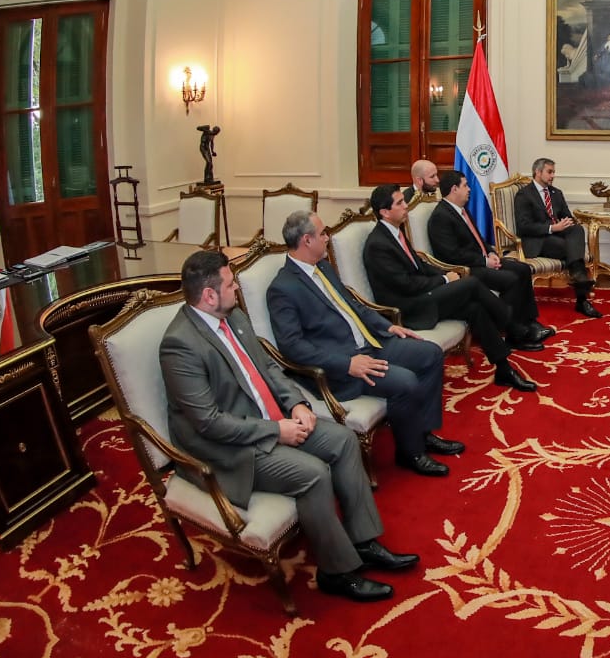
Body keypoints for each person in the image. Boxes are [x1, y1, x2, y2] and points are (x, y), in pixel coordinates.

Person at [160, 250, 418, 603]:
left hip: (269, 419)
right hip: (232, 448)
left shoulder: (232, 317)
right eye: (231, 283)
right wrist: (276, 431)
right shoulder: (179, 346)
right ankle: (337, 572)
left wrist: (295, 403)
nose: (237, 289)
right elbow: (210, 423)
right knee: (313, 473)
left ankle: (364, 541)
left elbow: (267, 367)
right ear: (209, 295)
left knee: (343, 441)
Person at [266, 210, 461, 477]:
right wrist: (347, 364)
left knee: (430, 353)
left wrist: (388, 326)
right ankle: (410, 453)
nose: (328, 237)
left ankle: (422, 434)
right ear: (307, 240)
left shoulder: (322, 267)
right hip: (344, 365)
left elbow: (353, 305)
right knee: (405, 382)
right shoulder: (282, 288)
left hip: (371, 343)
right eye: (323, 233)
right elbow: (292, 347)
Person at [363, 183, 539, 393]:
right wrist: (445, 280)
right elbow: (406, 285)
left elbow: (420, 266)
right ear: (384, 211)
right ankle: (511, 324)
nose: (406, 206)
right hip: (409, 308)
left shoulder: (395, 232)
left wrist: (443, 275)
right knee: (472, 283)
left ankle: (503, 369)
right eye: (400, 203)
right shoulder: (378, 244)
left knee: (476, 308)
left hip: (423, 295)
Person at [428, 170, 551, 345]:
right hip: (465, 269)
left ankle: (528, 321)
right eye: (465, 185)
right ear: (454, 189)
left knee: (522, 268)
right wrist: (485, 261)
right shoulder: (441, 216)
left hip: (482, 260)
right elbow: (452, 255)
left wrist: (490, 252)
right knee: (509, 279)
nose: (469, 189)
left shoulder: (462, 210)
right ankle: (512, 332)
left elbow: (478, 238)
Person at [513, 157, 602, 319]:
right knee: (572, 250)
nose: (553, 176)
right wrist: (551, 228)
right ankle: (582, 298)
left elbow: (567, 216)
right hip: (538, 240)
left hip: (560, 235)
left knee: (577, 229)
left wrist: (567, 222)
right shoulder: (524, 195)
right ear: (537, 172)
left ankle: (579, 283)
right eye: (549, 172)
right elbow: (523, 226)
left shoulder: (556, 193)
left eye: (554, 172)